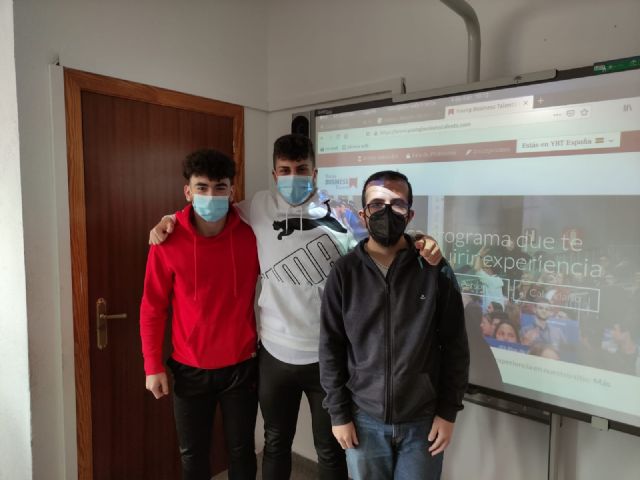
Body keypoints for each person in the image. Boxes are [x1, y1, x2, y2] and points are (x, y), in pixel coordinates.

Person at [149, 135, 443, 480]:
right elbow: (209, 210)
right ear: (275, 174)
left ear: (314, 173)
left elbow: (385, 234)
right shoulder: (256, 207)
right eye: (285, 170)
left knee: (330, 449)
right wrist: (170, 219)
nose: (293, 176)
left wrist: (420, 239)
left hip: (327, 357)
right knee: (275, 443)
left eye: (301, 169)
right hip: (273, 356)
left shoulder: (341, 212)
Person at [319, 170, 470, 480]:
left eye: (397, 204)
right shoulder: (344, 272)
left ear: (410, 214)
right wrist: (338, 414)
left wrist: (448, 411)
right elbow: (331, 346)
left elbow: (455, 344)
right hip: (363, 418)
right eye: (376, 205)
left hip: (422, 421)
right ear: (363, 214)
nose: (386, 213)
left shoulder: (433, 268)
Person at [140, 150, 260, 480]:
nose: (211, 195)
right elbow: (152, 306)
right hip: (190, 368)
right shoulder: (167, 240)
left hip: (241, 366)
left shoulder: (252, 234)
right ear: (188, 192)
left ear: (232, 191)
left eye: (220, 187)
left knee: (242, 452)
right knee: (192, 455)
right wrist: (152, 365)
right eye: (202, 187)